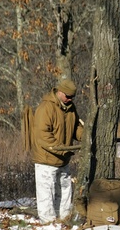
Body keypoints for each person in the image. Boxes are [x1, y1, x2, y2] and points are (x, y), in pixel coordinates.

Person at [32, 79, 84, 223]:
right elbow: (43, 136)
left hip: (63, 159)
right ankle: (48, 223)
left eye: (72, 97)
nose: (69, 99)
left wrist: (86, 137)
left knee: (65, 191)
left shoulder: (71, 108)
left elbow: (76, 128)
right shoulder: (45, 108)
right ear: (59, 91)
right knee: (46, 194)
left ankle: (64, 220)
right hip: (46, 159)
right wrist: (63, 149)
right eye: (67, 96)